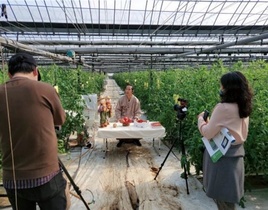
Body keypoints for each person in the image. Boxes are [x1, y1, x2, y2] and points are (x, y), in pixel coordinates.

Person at [0, 53, 68, 210]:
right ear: (36, 71)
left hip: (13, 179)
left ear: (9, 74)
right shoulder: (45, 89)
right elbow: (60, 120)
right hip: (46, 176)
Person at [197, 71, 253, 210]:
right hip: (236, 157)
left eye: (222, 86)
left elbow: (208, 133)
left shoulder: (223, 108)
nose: (221, 89)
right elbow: (230, 128)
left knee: (222, 200)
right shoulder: (243, 107)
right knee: (229, 200)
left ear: (228, 88)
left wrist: (200, 120)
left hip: (222, 158)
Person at [115, 83, 142, 147]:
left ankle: (136, 139)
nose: (127, 90)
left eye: (129, 89)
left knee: (137, 128)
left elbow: (138, 112)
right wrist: (119, 118)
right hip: (123, 119)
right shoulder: (121, 99)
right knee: (120, 130)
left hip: (132, 119)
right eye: (126, 89)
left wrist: (136, 118)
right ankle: (121, 140)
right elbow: (117, 110)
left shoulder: (136, 100)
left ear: (132, 91)